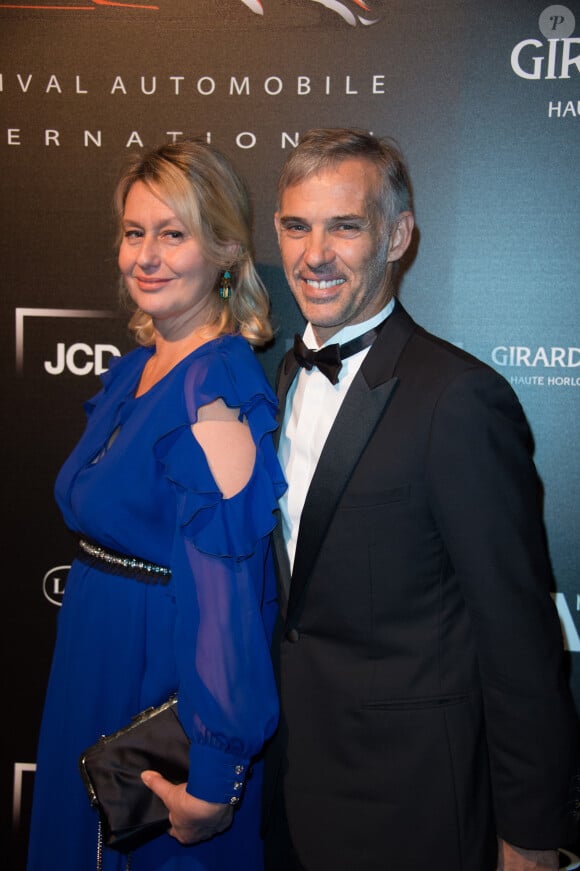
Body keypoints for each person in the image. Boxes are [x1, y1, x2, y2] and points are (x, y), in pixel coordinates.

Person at [263, 128, 579, 871]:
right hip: (290, 784)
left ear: (398, 234)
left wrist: (532, 836)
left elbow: (520, 638)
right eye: (297, 226)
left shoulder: (459, 399)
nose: (316, 254)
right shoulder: (278, 377)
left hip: (412, 802)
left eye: (346, 225)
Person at [26, 140, 286, 871]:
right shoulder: (137, 367)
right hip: (93, 660)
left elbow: (231, 594)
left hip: (159, 686)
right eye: (135, 233)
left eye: (174, 234)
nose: (147, 255)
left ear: (227, 250)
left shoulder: (217, 389)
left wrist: (214, 771)